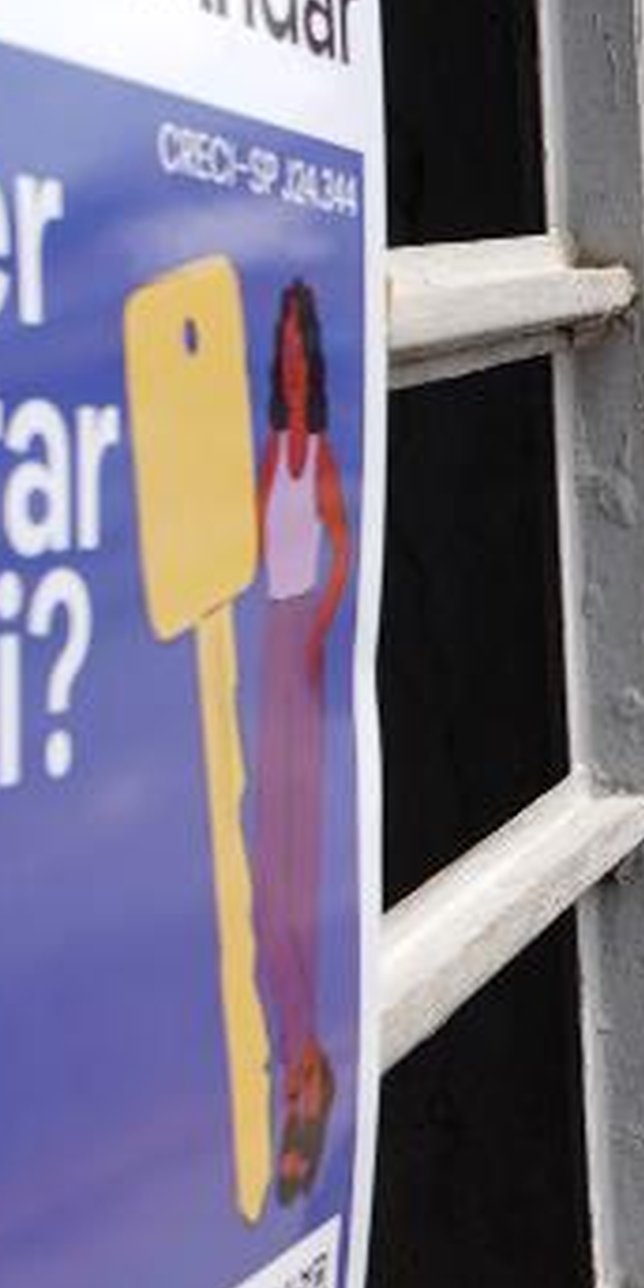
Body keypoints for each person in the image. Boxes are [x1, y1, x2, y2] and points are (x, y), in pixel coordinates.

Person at [250, 277, 356, 1206]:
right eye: (279, 349)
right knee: (264, 875)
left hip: (301, 646)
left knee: (294, 863)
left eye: (298, 350)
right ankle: (298, 1047)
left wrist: (320, 625)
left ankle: (302, 1050)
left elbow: (343, 546)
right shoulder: (267, 452)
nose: (289, 363)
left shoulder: (315, 453)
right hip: (266, 644)